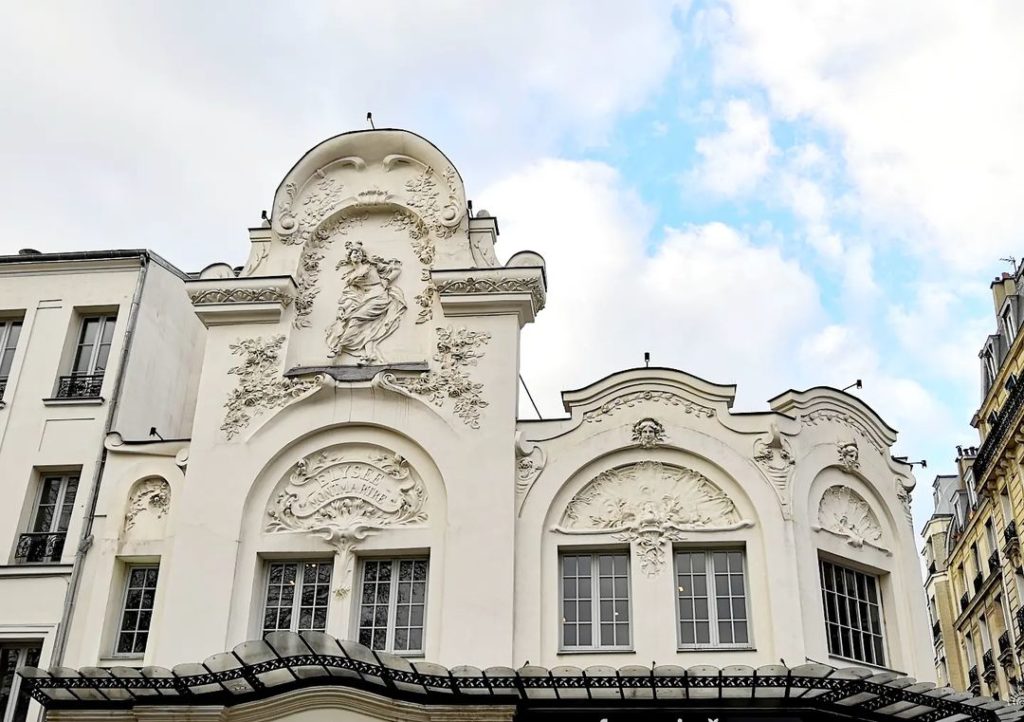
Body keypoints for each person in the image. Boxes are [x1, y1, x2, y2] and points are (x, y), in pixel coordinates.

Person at [325, 241, 406, 363]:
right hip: (365, 298)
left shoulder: (371, 266)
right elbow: (350, 296)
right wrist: (342, 309)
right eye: (354, 253)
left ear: (362, 255)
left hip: (379, 296)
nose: (356, 255)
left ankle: (339, 346)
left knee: (355, 320)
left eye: (358, 253)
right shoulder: (350, 277)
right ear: (349, 257)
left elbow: (396, 269)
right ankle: (370, 354)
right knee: (367, 328)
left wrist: (387, 280)